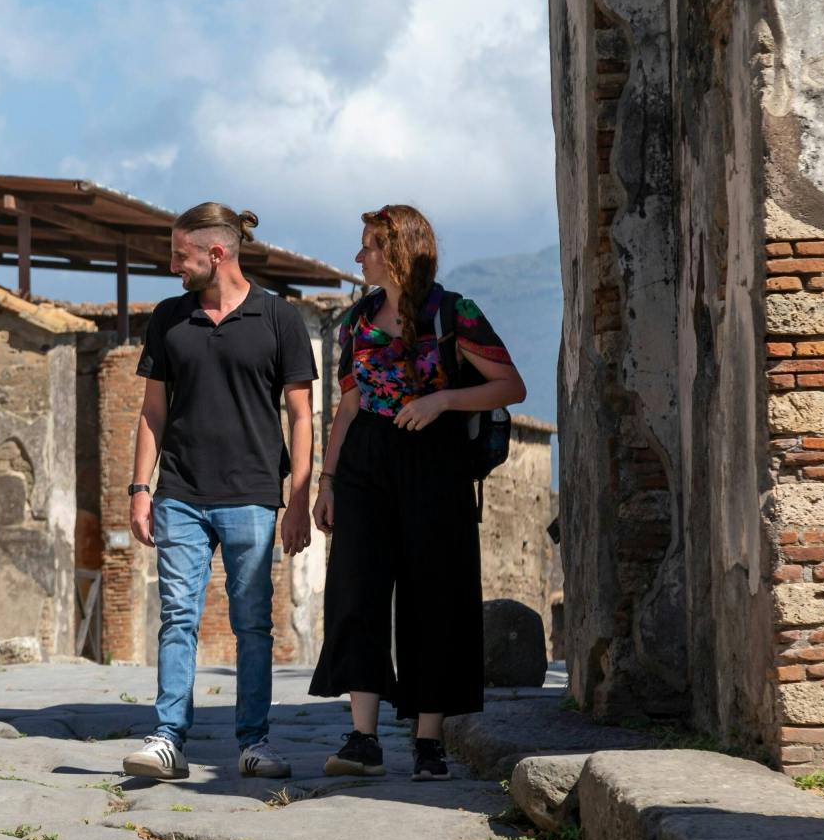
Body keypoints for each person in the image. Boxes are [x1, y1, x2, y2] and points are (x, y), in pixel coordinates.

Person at [310, 204, 526, 781]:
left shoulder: (455, 312)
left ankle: (429, 742)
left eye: (369, 246)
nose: (360, 257)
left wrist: (442, 401)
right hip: (364, 465)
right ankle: (363, 738)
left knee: (436, 595)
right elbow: (350, 405)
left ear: (400, 250)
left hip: (436, 463)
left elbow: (511, 384)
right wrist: (326, 482)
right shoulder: (357, 320)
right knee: (356, 591)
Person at [121, 203, 315, 783]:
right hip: (179, 491)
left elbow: (301, 415)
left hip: (254, 495)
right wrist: (139, 488)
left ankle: (253, 743)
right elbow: (153, 410)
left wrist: (299, 498)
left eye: (179, 254)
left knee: (252, 623)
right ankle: (167, 739)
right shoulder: (169, 317)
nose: (171, 265)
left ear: (216, 253)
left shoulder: (279, 318)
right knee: (177, 615)